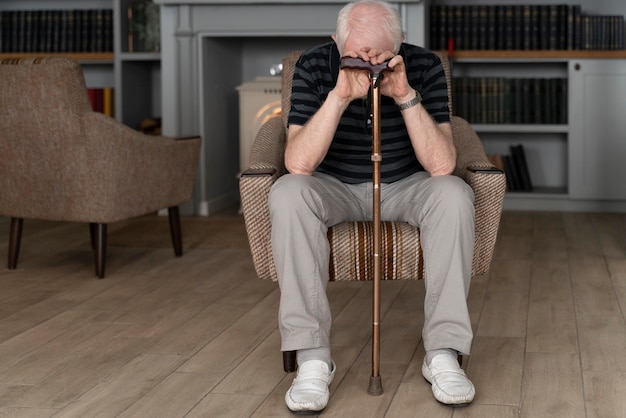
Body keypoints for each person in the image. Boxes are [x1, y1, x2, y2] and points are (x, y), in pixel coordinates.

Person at [268, 0, 476, 412]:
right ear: (336, 42)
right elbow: (298, 163)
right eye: (356, 54)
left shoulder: (425, 64)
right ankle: (312, 356)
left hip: (406, 184)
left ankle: (444, 352)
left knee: (454, 194)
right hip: (333, 186)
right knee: (287, 192)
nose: (369, 64)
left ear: (400, 41)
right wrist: (340, 96)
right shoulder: (313, 65)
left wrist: (405, 95)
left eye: (380, 54)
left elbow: (441, 165)